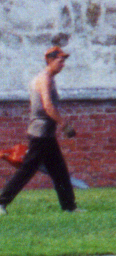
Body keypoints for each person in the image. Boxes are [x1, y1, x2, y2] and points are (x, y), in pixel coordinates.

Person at [0, 45, 77, 214]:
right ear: (49, 60)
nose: (63, 64)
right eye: (60, 60)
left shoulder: (49, 77)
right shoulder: (44, 79)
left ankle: (69, 207)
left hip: (46, 133)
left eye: (64, 60)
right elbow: (48, 106)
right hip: (40, 134)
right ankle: (1, 202)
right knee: (27, 170)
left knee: (59, 171)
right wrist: (64, 124)